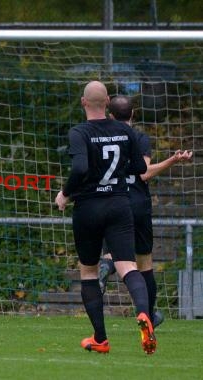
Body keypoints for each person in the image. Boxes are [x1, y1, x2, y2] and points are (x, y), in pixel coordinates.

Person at [55, 81, 155, 354]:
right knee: (128, 267)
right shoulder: (125, 130)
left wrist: (65, 193)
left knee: (88, 271)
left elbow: (80, 167)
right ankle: (145, 314)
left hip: (88, 208)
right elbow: (138, 167)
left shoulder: (79, 132)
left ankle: (100, 338)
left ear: (83, 102)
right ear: (108, 101)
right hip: (119, 205)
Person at [98, 95, 193, 329]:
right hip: (138, 203)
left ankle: (106, 266)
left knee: (115, 254)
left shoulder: (100, 137)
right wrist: (172, 160)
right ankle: (148, 315)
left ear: (110, 115)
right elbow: (144, 173)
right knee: (144, 262)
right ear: (133, 115)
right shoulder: (138, 137)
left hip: (113, 201)